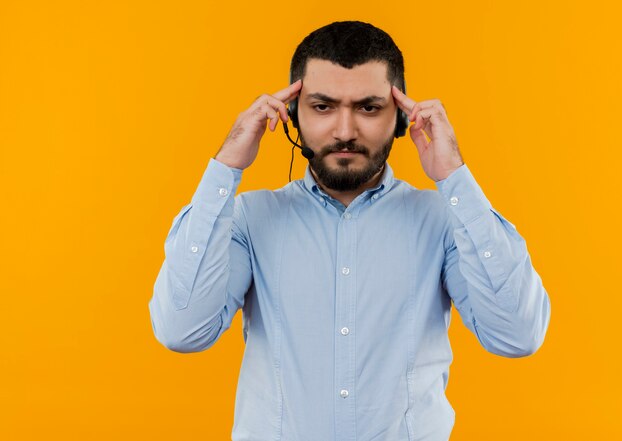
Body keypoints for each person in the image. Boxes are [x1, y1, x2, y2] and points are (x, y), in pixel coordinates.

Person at [148, 20, 551, 441]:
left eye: (369, 108)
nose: (344, 131)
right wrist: (227, 164)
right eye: (322, 107)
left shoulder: (445, 221)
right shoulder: (249, 218)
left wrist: (455, 178)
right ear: (290, 114)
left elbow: (517, 335)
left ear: (400, 119)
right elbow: (182, 329)